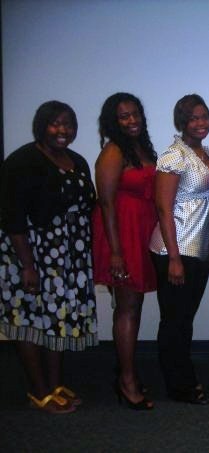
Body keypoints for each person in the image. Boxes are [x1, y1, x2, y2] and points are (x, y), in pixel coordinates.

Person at [0, 101, 98, 413]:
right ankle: (38, 389)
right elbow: (12, 216)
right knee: (29, 319)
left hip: (67, 257)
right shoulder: (22, 161)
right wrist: (27, 265)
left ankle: (55, 385)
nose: (62, 130)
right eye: (55, 123)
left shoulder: (77, 160)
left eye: (68, 124)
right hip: (30, 254)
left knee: (58, 319)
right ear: (41, 126)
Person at [149, 94, 209, 405]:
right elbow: (163, 208)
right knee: (174, 321)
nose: (201, 123)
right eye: (193, 118)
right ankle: (179, 386)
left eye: (204, 116)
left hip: (198, 248)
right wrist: (174, 258)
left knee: (184, 319)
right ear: (182, 122)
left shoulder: (204, 152)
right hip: (173, 250)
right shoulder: (173, 155)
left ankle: (184, 377)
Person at [92, 92, 157, 410]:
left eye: (135, 114)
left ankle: (126, 372)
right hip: (121, 235)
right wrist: (116, 253)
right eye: (124, 116)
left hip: (140, 231)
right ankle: (127, 381)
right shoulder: (113, 151)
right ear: (113, 121)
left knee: (133, 304)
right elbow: (105, 203)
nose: (132, 120)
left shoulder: (140, 147)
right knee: (127, 307)